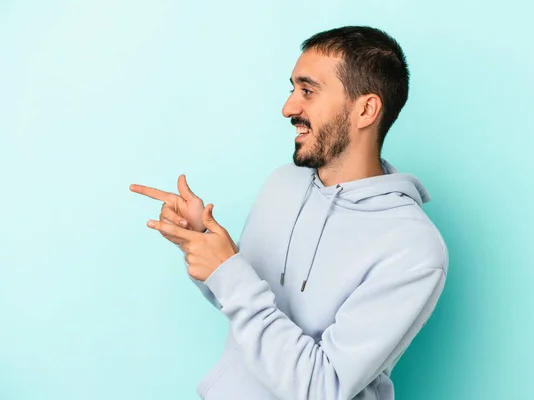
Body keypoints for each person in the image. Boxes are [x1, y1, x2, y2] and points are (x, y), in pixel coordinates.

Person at [130, 25, 448, 400]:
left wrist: (228, 270)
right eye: (293, 89)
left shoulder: (413, 249)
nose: (288, 108)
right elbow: (241, 305)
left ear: (365, 109)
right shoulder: (284, 183)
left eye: (308, 91)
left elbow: (321, 389)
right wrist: (203, 243)